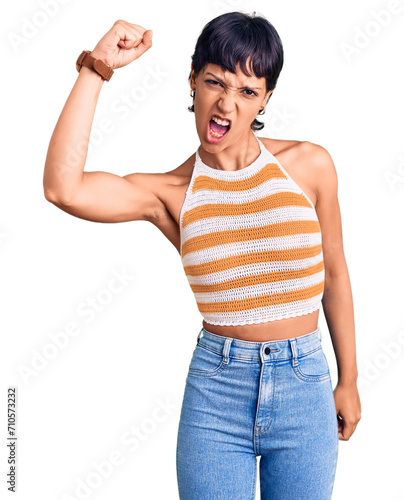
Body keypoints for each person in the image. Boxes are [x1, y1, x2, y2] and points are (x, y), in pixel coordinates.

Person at [43, 11, 361, 500]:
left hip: (306, 386)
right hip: (218, 394)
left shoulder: (309, 165)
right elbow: (63, 189)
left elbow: (336, 276)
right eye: (215, 82)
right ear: (192, 80)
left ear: (265, 99)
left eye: (247, 91)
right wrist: (97, 66)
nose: (227, 104)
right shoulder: (170, 194)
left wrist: (350, 378)